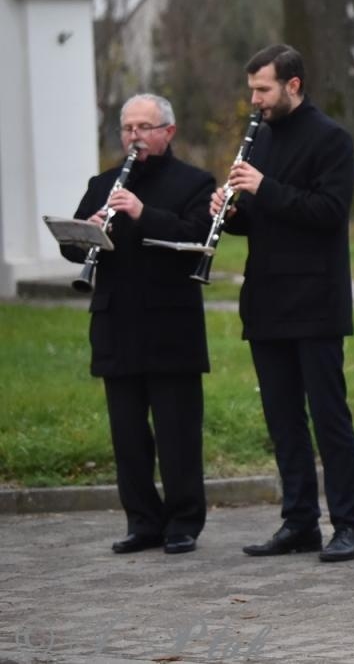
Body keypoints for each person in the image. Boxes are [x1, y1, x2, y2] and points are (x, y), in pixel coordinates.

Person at [215, 44, 354, 562]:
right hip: (267, 298)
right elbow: (261, 217)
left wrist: (264, 188)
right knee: (283, 420)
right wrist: (231, 212)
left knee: (329, 418)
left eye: (263, 89)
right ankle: (299, 521)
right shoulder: (257, 139)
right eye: (252, 89)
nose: (254, 99)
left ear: (293, 86)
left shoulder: (331, 140)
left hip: (316, 299)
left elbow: (326, 212)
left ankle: (349, 526)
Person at [61, 94, 215, 556]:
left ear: (168, 132)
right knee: (127, 434)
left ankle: (184, 521)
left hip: (171, 325)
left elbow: (197, 237)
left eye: (144, 127)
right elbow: (73, 247)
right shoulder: (102, 183)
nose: (134, 136)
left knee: (177, 433)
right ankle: (142, 520)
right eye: (128, 128)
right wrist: (87, 230)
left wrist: (142, 213)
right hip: (117, 323)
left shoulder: (195, 182)